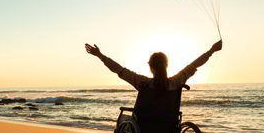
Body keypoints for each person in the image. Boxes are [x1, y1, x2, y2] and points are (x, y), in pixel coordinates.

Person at [84, 40, 223, 92]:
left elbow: (118, 69)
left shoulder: (142, 83)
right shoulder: (176, 82)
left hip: (144, 126)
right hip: (167, 125)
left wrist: (100, 55)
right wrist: (211, 51)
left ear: (150, 66)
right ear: (167, 65)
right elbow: (194, 64)